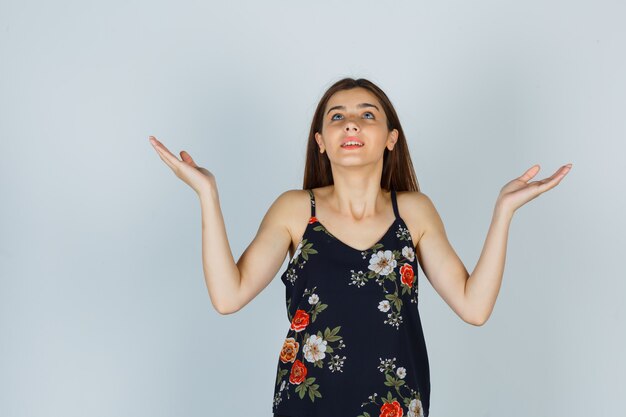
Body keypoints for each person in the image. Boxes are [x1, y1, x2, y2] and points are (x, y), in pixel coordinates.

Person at [148, 77, 572, 417]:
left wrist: (504, 211)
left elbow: (474, 307)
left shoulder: (414, 212)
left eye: (366, 114)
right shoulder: (296, 209)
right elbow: (227, 295)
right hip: (306, 406)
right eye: (337, 116)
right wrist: (207, 194)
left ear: (390, 137)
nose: (351, 123)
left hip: (396, 408)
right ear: (321, 140)